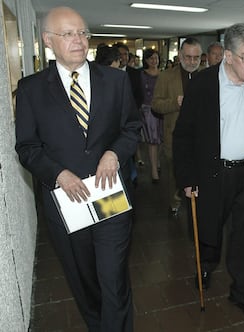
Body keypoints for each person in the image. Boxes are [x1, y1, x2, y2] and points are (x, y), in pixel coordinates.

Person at [15, 6, 139, 331]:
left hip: (108, 194)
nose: (79, 40)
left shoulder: (115, 80)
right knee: (85, 280)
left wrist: (114, 153)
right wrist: (58, 174)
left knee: (113, 276)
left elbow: (131, 127)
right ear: (47, 41)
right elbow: (27, 148)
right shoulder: (31, 90)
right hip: (67, 202)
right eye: (68, 34)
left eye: (83, 33)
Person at [173, 23, 244, 323]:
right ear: (227, 56)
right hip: (216, 172)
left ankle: (243, 293)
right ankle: (206, 264)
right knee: (210, 228)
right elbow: (183, 135)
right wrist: (187, 180)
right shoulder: (204, 85)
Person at [152, 37, 202, 217]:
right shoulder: (166, 76)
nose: (192, 61)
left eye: (196, 58)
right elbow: (155, 105)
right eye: (188, 57)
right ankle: (175, 202)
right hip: (174, 135)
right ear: (180, 56)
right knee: (174, 173)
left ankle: (197, 200)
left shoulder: (207, 75)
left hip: (201, 137)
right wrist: (175, 103)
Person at [137, 49, 162, 183]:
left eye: (156, 58)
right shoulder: (142, 75)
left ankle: (157, 162)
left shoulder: (163, 75)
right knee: (152, 140)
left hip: (162, 109)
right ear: (146, 60)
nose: (154, 61)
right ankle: (153, 171)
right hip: (148, 110)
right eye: (151, 58)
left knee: (161, 140)